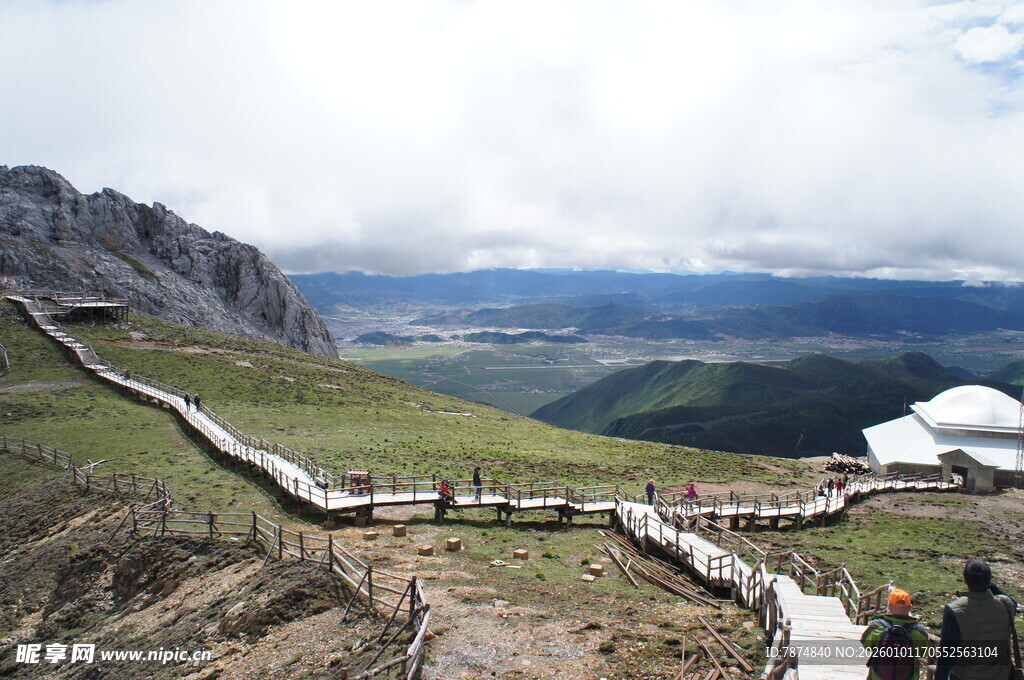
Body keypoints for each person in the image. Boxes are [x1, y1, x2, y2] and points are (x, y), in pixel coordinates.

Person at [937, 558, 1018, 680]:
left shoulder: (954, 610)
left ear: (965, 580)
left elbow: (947, 654)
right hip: (1001, 675)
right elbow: (1013, 602)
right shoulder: (1006, 605)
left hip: (965, 676)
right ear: (989, 581)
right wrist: (989, 585)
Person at [861, 589, 930, 680]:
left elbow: (866, 644)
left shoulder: (877, 626)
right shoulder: (918, 630)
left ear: (889, 606)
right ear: (909, 607)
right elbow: (924, 652)